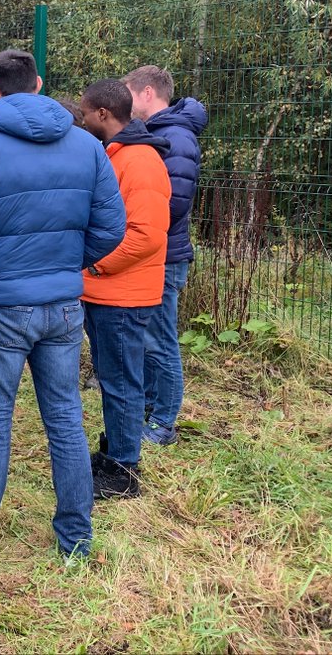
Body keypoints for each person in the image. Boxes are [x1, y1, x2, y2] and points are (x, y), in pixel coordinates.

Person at [0, 49, 125, 562]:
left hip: (1, 308)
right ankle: (76, 543)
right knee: (65, 416)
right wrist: (64, 269)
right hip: (62, 306)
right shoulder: (88, 147)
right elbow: (111, 229)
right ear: (38, 83)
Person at [79, 79, 171, 500]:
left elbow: (147, 235)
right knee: (113, 378)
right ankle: (116, 451)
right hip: (107, 293)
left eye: (85, 112)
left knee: (121, 383)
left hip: (123, 295)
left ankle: (124, 472)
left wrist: (96, 267)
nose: (81, 119)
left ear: (102, 114)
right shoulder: (117, 156)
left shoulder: (140, 160)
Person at [124, 66, 208, 445]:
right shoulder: (157, 132)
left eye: (128, 92)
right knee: (145, 337)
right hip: (151, 251)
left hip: (165, 254)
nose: (125, 101)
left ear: (146, 93)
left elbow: (173, 201)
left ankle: (163, 422)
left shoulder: (176, 136)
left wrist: (132, 222)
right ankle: (146, 407)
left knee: (160, 339)